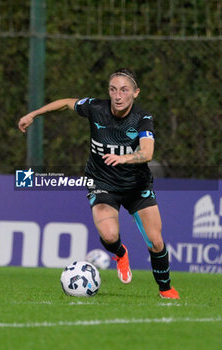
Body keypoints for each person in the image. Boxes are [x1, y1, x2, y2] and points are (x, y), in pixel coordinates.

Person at [18, 68, 179, 299]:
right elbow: (65, 103)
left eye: (124, 90)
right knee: (110, 236)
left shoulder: (143, 119)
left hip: (137, 187)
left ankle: (166, 288)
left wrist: (124, 158)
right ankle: (120, 253)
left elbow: (147, 152)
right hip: (102, 182)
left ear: (136, 93)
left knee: (156, 241)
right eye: (113, 89)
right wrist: (33, 114)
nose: (118, 95)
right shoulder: (95, 108)